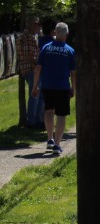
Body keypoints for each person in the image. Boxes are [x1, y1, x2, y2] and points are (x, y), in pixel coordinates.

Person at [32, 22, 76, 155]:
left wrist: (35, 86)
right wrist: (73, 87)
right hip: (62, 87)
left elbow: (38, 68)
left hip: (47, 85)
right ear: (67, 34)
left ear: (55, 33)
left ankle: (50, 138)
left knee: (49, 111)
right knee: (61, 115)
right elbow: (73, 72)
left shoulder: (46, 48)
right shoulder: (69, 50)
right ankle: (57, 144)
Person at [16, 17, 45, 128]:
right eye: (38, 25)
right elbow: (27, 56)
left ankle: (39, 120)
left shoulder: (34, 37)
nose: (39, 27)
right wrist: (39, 63)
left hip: (35, 69)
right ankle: (32, 122)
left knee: (40, 94)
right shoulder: (25, 37)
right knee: (35, 94)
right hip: (30, 69)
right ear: (32, 25)